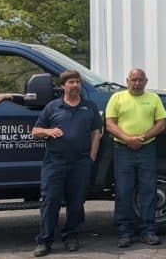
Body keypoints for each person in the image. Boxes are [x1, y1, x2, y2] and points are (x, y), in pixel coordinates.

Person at [30, 70, 102, 257]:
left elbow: (96, 133)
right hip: (55, 162)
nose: (75, 85)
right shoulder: (52, 107)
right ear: (63, 86)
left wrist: (91, 158)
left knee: (76, 203)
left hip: (81, 162)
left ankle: (71, 237)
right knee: (50, 201)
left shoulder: (89, 107)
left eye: (77, 81)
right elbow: (35, 131)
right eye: (71, 82)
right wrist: (49, 131)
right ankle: (44, 241)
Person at [104, 68, 166, 247]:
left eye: (140, 80)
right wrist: (127, 139)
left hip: (147, 149)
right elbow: (110, 124)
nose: (137, 83)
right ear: (127, 81)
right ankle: (124, 233)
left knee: (148, 190)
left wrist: (143, 138)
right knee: (123, 191)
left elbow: (162, 123)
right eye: (134, 80)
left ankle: (148, 231)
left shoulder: (153, 98)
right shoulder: (117, 98)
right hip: (123, 149)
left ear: (146, 82)